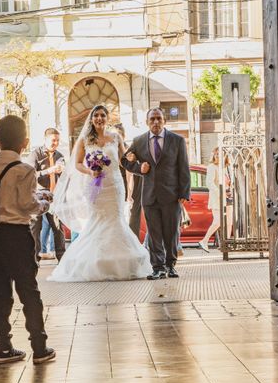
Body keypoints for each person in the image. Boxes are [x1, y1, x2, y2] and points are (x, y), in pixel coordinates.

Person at [0, 115, 56, 365]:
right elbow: (28, 204)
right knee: (28, 290)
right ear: (25, 142)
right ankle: (40, 347)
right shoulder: (25, 170)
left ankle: (3, 347)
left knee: (0, 292)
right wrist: (44, 202)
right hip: (17, 236)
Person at [49, 105, 151, 282]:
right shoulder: (85, 140)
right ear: (91, 118)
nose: (99, 118)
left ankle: (121, 262)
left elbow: (123, 159)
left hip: (115, 185)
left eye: (102, 115)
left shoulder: (115, 137)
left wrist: (134, 161)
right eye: (96, 115)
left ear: (107, 118)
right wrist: (91, 171)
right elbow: (78, 163)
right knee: (97, 221)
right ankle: (94, 262)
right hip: (96, 186)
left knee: (116, 220)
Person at [121, 108, 191, 280]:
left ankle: (170, 265)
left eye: (159, 118)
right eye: (152, 119)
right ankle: (158, 268)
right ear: (147, 122)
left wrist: (184, 192)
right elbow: (124, 160)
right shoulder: (138, 141)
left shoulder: (177, 141)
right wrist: (139, 168)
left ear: (164, 121)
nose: (155, 122)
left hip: (172, 196)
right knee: (154, 234)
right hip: (150, 196)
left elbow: (184, 168)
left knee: (171, 232)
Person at [28, 128, 66, 262]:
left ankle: (62, 259)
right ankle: (34, 259)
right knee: (35, 229)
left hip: (54, 197)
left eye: (57, 140)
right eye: (53, 140)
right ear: (45, 139)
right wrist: (48, 171)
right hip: (38, 196)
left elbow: (64, 178)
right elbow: (30, 175)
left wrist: (62, 172)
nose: (55, 143)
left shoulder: (59, 156)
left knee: (58, 228)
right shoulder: (35, 154)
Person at [199, 147, 221, 252]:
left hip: (226, 199)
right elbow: (209, 183)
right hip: (217, 199)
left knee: (226, 222)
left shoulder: (225, 167)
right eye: (216, 154)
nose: (217, 156)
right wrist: (220, 192)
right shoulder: (211, 167)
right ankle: (204, 241)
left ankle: (223, 244)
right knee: (217, 221)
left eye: (219, 154)